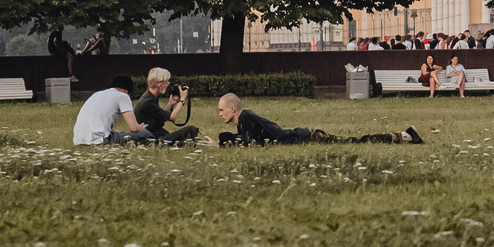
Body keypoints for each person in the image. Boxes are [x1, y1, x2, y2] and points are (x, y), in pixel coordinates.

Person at [216, 92, 422, 146]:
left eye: (221, 110)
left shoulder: (247, 117)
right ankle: (403, 136)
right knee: (354, 141)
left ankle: (403, 136)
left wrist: (223, 143)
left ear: (232, 108)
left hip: (308, 137)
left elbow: (268, 136)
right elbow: (251, 143)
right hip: (304, 136)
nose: (220, 114)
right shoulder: (244, 121)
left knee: (355, 141)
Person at [72, 75, 142, 145]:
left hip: (78, 140)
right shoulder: (122, 96)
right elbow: (134, 128)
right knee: (144, 135)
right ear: (126, 91)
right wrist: (141, 128)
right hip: (99, 140)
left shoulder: (97, 94)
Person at [133, 69, 197, 143]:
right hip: (149, 139)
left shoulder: (149, 97)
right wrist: (182, 100)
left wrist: (170, 103)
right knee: (191, 130)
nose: (168, 84)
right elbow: (172, 117)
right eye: (166, 82)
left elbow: (160, 116)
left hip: (153, 134)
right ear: (160, 85)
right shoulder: (148, 102)